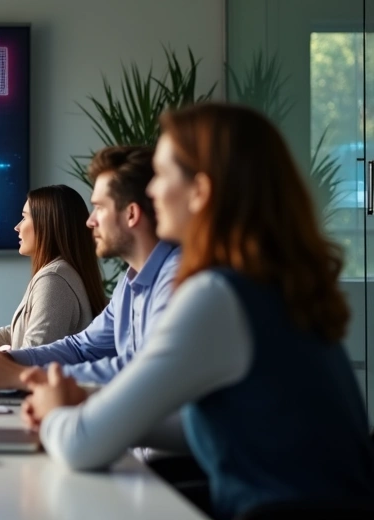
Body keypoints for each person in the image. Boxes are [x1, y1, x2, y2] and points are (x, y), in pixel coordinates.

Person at [24, 103, 374, 518]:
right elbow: (223, 428)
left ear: (200, 192)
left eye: (163, 175)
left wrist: (55, 413)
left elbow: (82, 444)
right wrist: (94, 405)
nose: (151, 192)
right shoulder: (272, 283)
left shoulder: (218, 295)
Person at [0, 147, 180, 390]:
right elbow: (80, 347)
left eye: (99, 208)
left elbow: (140, 371)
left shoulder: (177, 281)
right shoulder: (129, 283)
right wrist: (8, 360)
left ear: (131, 214)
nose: (90, 222)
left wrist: (20, 375)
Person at [0, 185, 106, 351]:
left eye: (24, 218)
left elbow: (33, 355)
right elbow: (19, 333)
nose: (17, 227)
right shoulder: (60, 272)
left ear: (46, 225)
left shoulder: (54, 280)